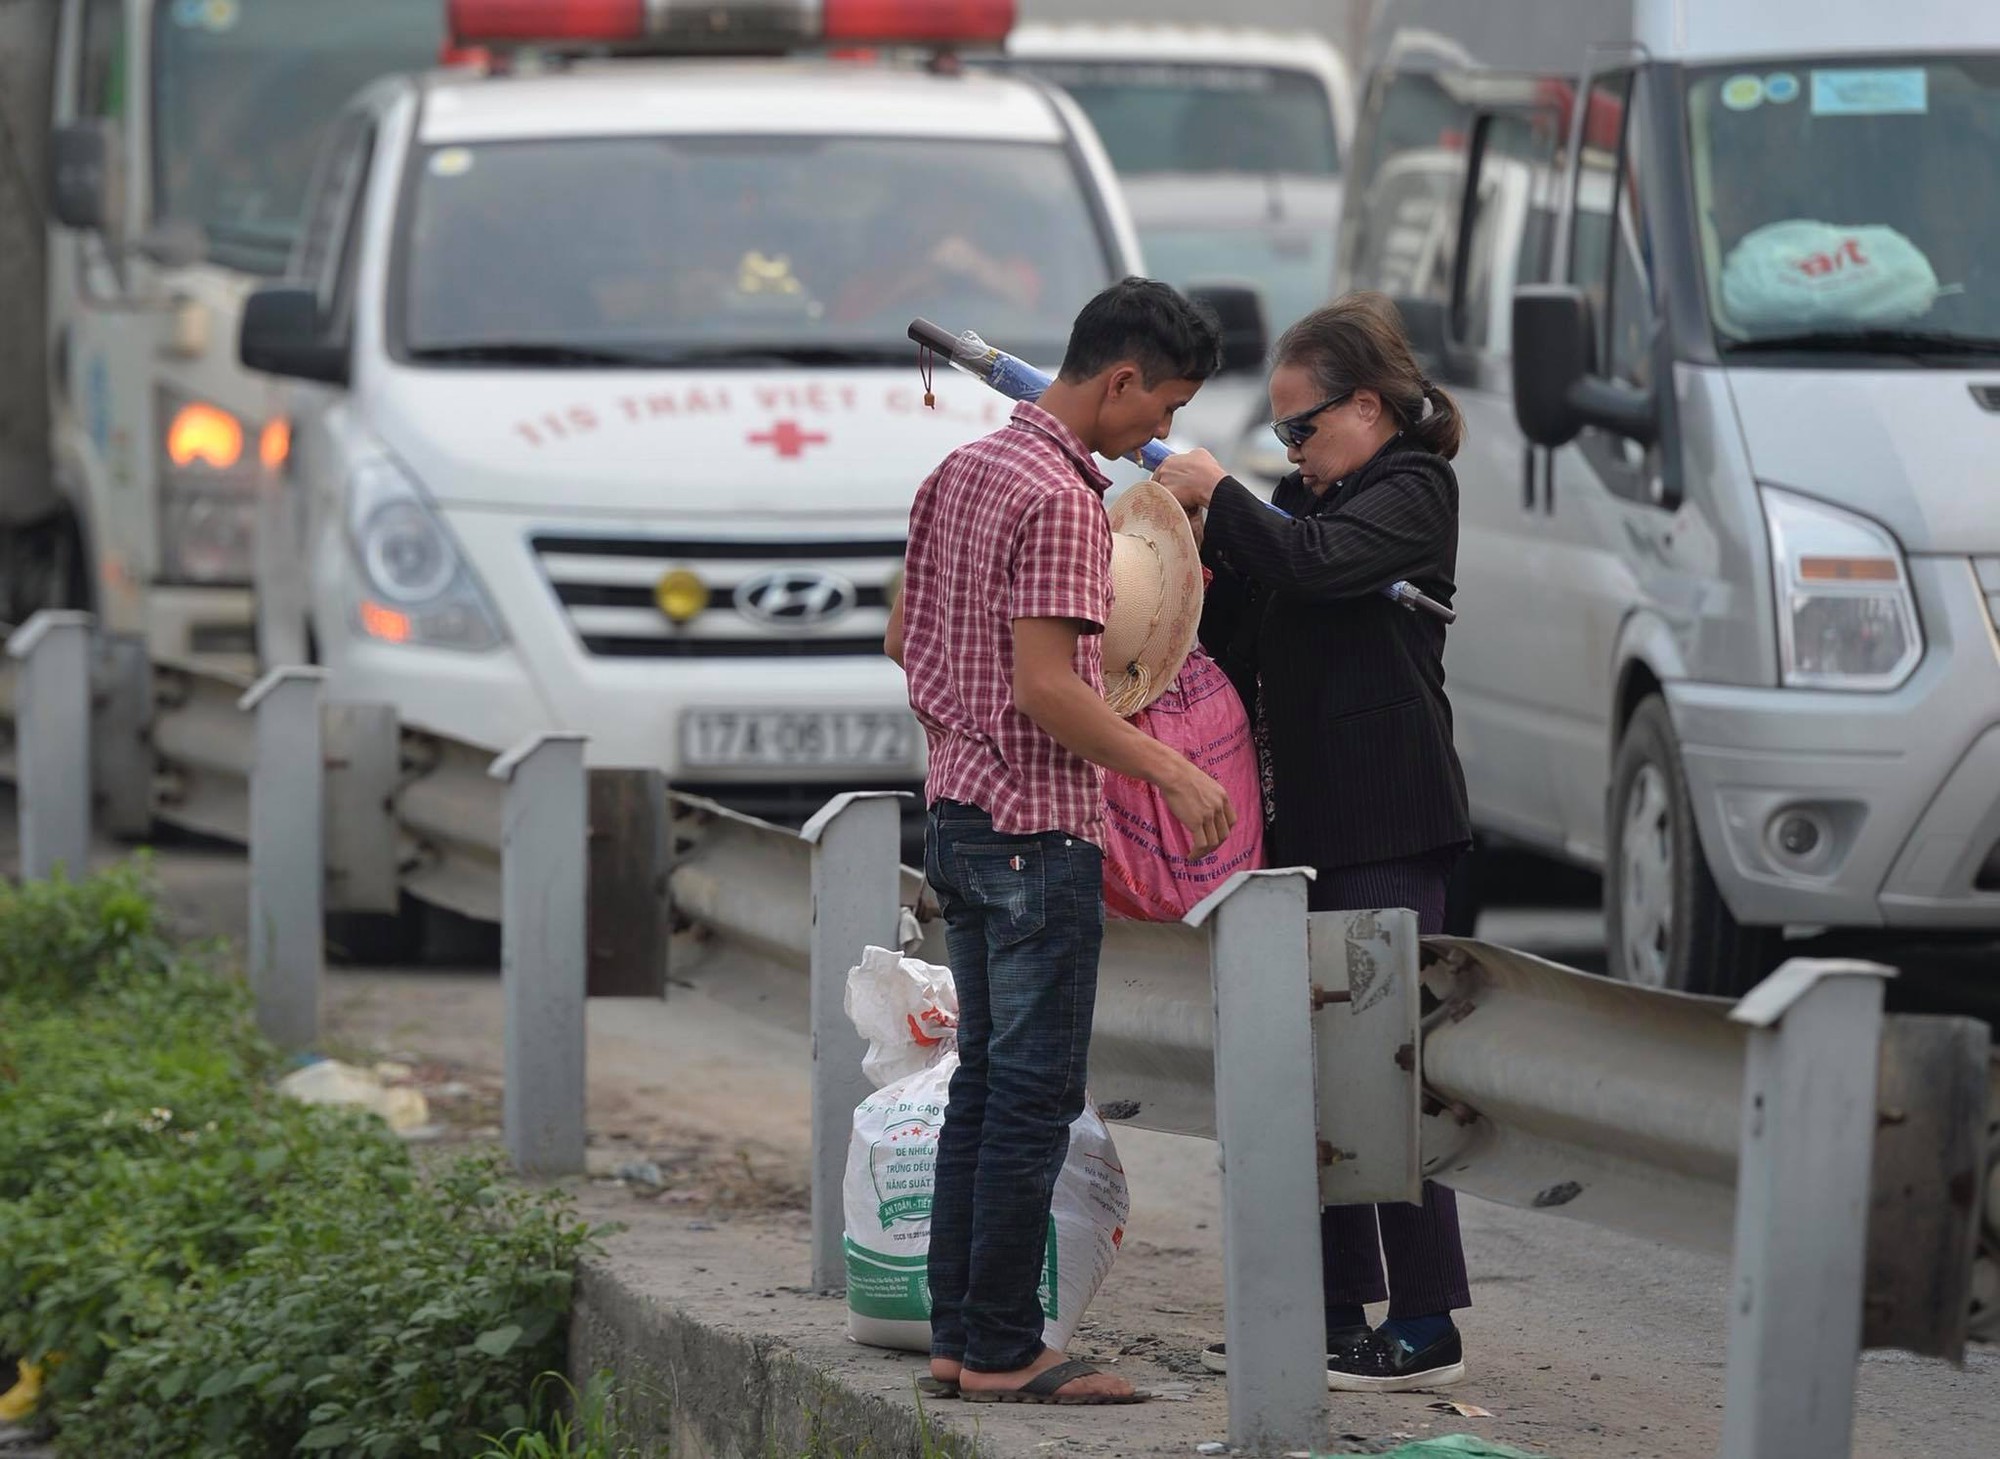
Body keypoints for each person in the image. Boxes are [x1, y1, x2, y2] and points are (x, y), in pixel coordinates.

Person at [884, 277, 1233, 1405]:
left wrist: (964, 722)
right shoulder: (1056, 496)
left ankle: (956, 1337)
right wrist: (1170, 767)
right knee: (1026, 1095)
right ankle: (1000, 1349)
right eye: (1162, 409)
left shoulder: (965, 469)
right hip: (1035, 833)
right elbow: (1047, 686)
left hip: (955, 816)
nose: (1160, 438)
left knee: (984, 1087)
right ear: (1121, 379)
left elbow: (904, 636)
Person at [1154, 291, 1476, 1393]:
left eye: (1305, 426)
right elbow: (1250, 613)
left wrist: (1229, 502)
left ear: (1373, 408)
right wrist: (1190, 548)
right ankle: (1335, 1311)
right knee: (1310, 1082)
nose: (1292, 450)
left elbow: (1317, 563)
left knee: (1382, 1072)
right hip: (1295, 826)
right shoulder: (1294, 505)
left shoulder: (1411, 492)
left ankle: (1425, 1317)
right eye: (1278, 433)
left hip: (1386, 819)